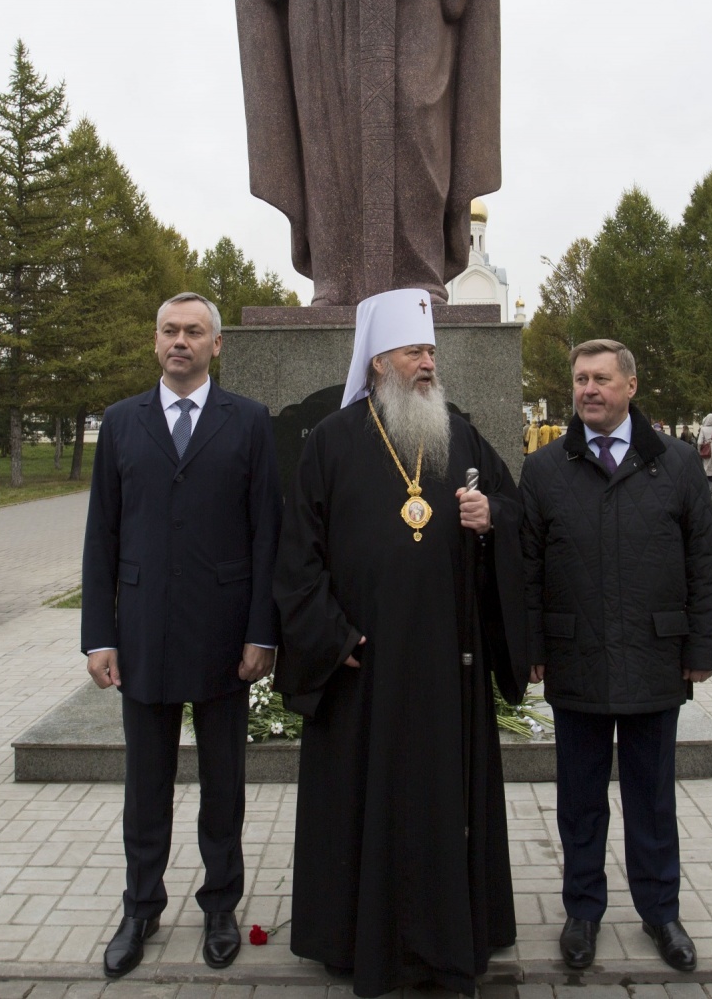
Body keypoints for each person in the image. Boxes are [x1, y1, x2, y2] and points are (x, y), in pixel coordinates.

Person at [274, 290, 527, 997]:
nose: (428, 363)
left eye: (432, 352)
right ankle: (361, 943)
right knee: (363, 803)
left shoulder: (462, 436)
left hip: (450, 661)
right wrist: (331, 637)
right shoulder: (329, 442)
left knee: (448, 804)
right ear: (380, 360)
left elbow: (516, 509)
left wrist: (491, 516)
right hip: (364, 666)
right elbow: (298, 558)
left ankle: (449, 945)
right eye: (416, 351)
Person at [80, 293, 282, 978]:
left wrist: (264, 630)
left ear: (216, 344)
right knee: (147, 782)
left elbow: (267, 535)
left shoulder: (250, 421)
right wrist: (96, 635)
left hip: (227, 637)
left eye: (194, 331)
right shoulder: (120, 422)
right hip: (142, 633)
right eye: (170, 330)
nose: (180, 341)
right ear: (155, 339)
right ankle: (141, 905)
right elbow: (100, 536)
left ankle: (220, 901)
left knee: (223, 781)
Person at [521, 338, 712, 974]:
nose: (589, 390)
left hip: (655, 658)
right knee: (579, 799)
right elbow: (527, 569)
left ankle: (661, 913)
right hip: (575, 655)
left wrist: (705, 648)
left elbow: (706, 565)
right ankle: (582, 912)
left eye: (602, 379)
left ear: (630, 386)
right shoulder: (546, 468)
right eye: (581, 379)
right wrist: (529, 647)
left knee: (651, 798)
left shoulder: (680, 464)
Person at [696, 407, 712, 497]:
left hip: (708, 451)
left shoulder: (703, 429)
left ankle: (710, 488)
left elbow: (699, 442)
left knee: (707, 470)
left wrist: (699, 451)